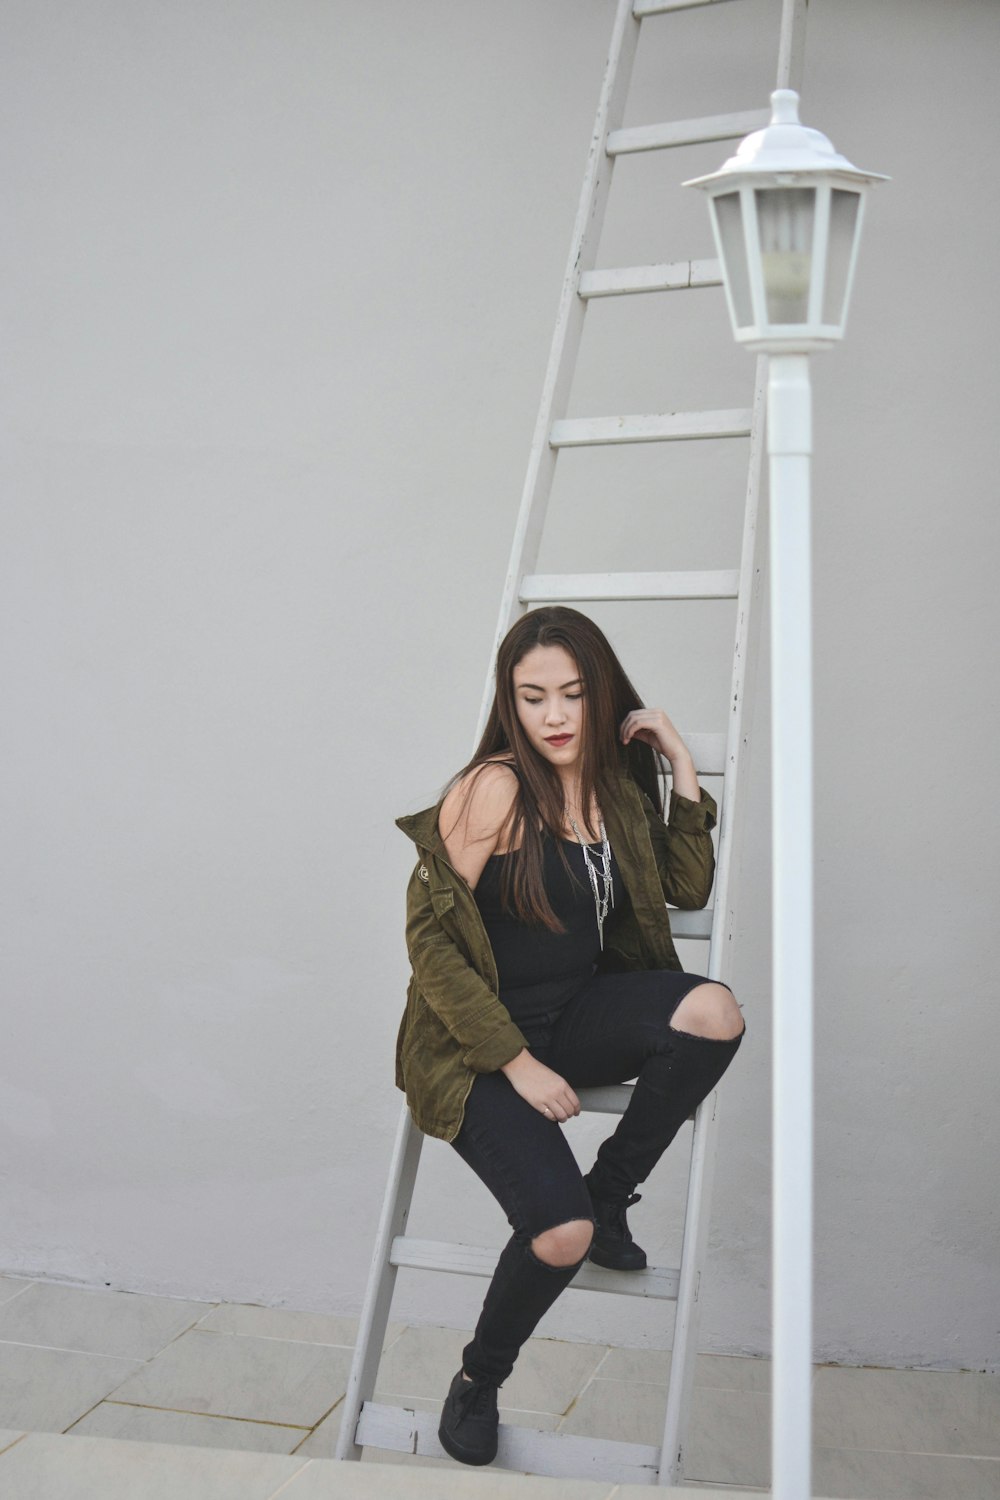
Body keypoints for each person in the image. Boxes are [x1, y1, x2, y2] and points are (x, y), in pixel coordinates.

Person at [394, 606, 745, 1467]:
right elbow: (428, 943)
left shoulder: (614, 787)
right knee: (559, 1237)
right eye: (532, 697)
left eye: (572, 694)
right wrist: (513, 1062)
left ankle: (611, 1189)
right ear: (510, 705)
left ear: (599, 695)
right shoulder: (495, 787)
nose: (554, 716)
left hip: (574, 1012)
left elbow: (680, 883)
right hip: (474, 1041)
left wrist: (681, 770)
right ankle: (479, 1378)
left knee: (714, 1010)